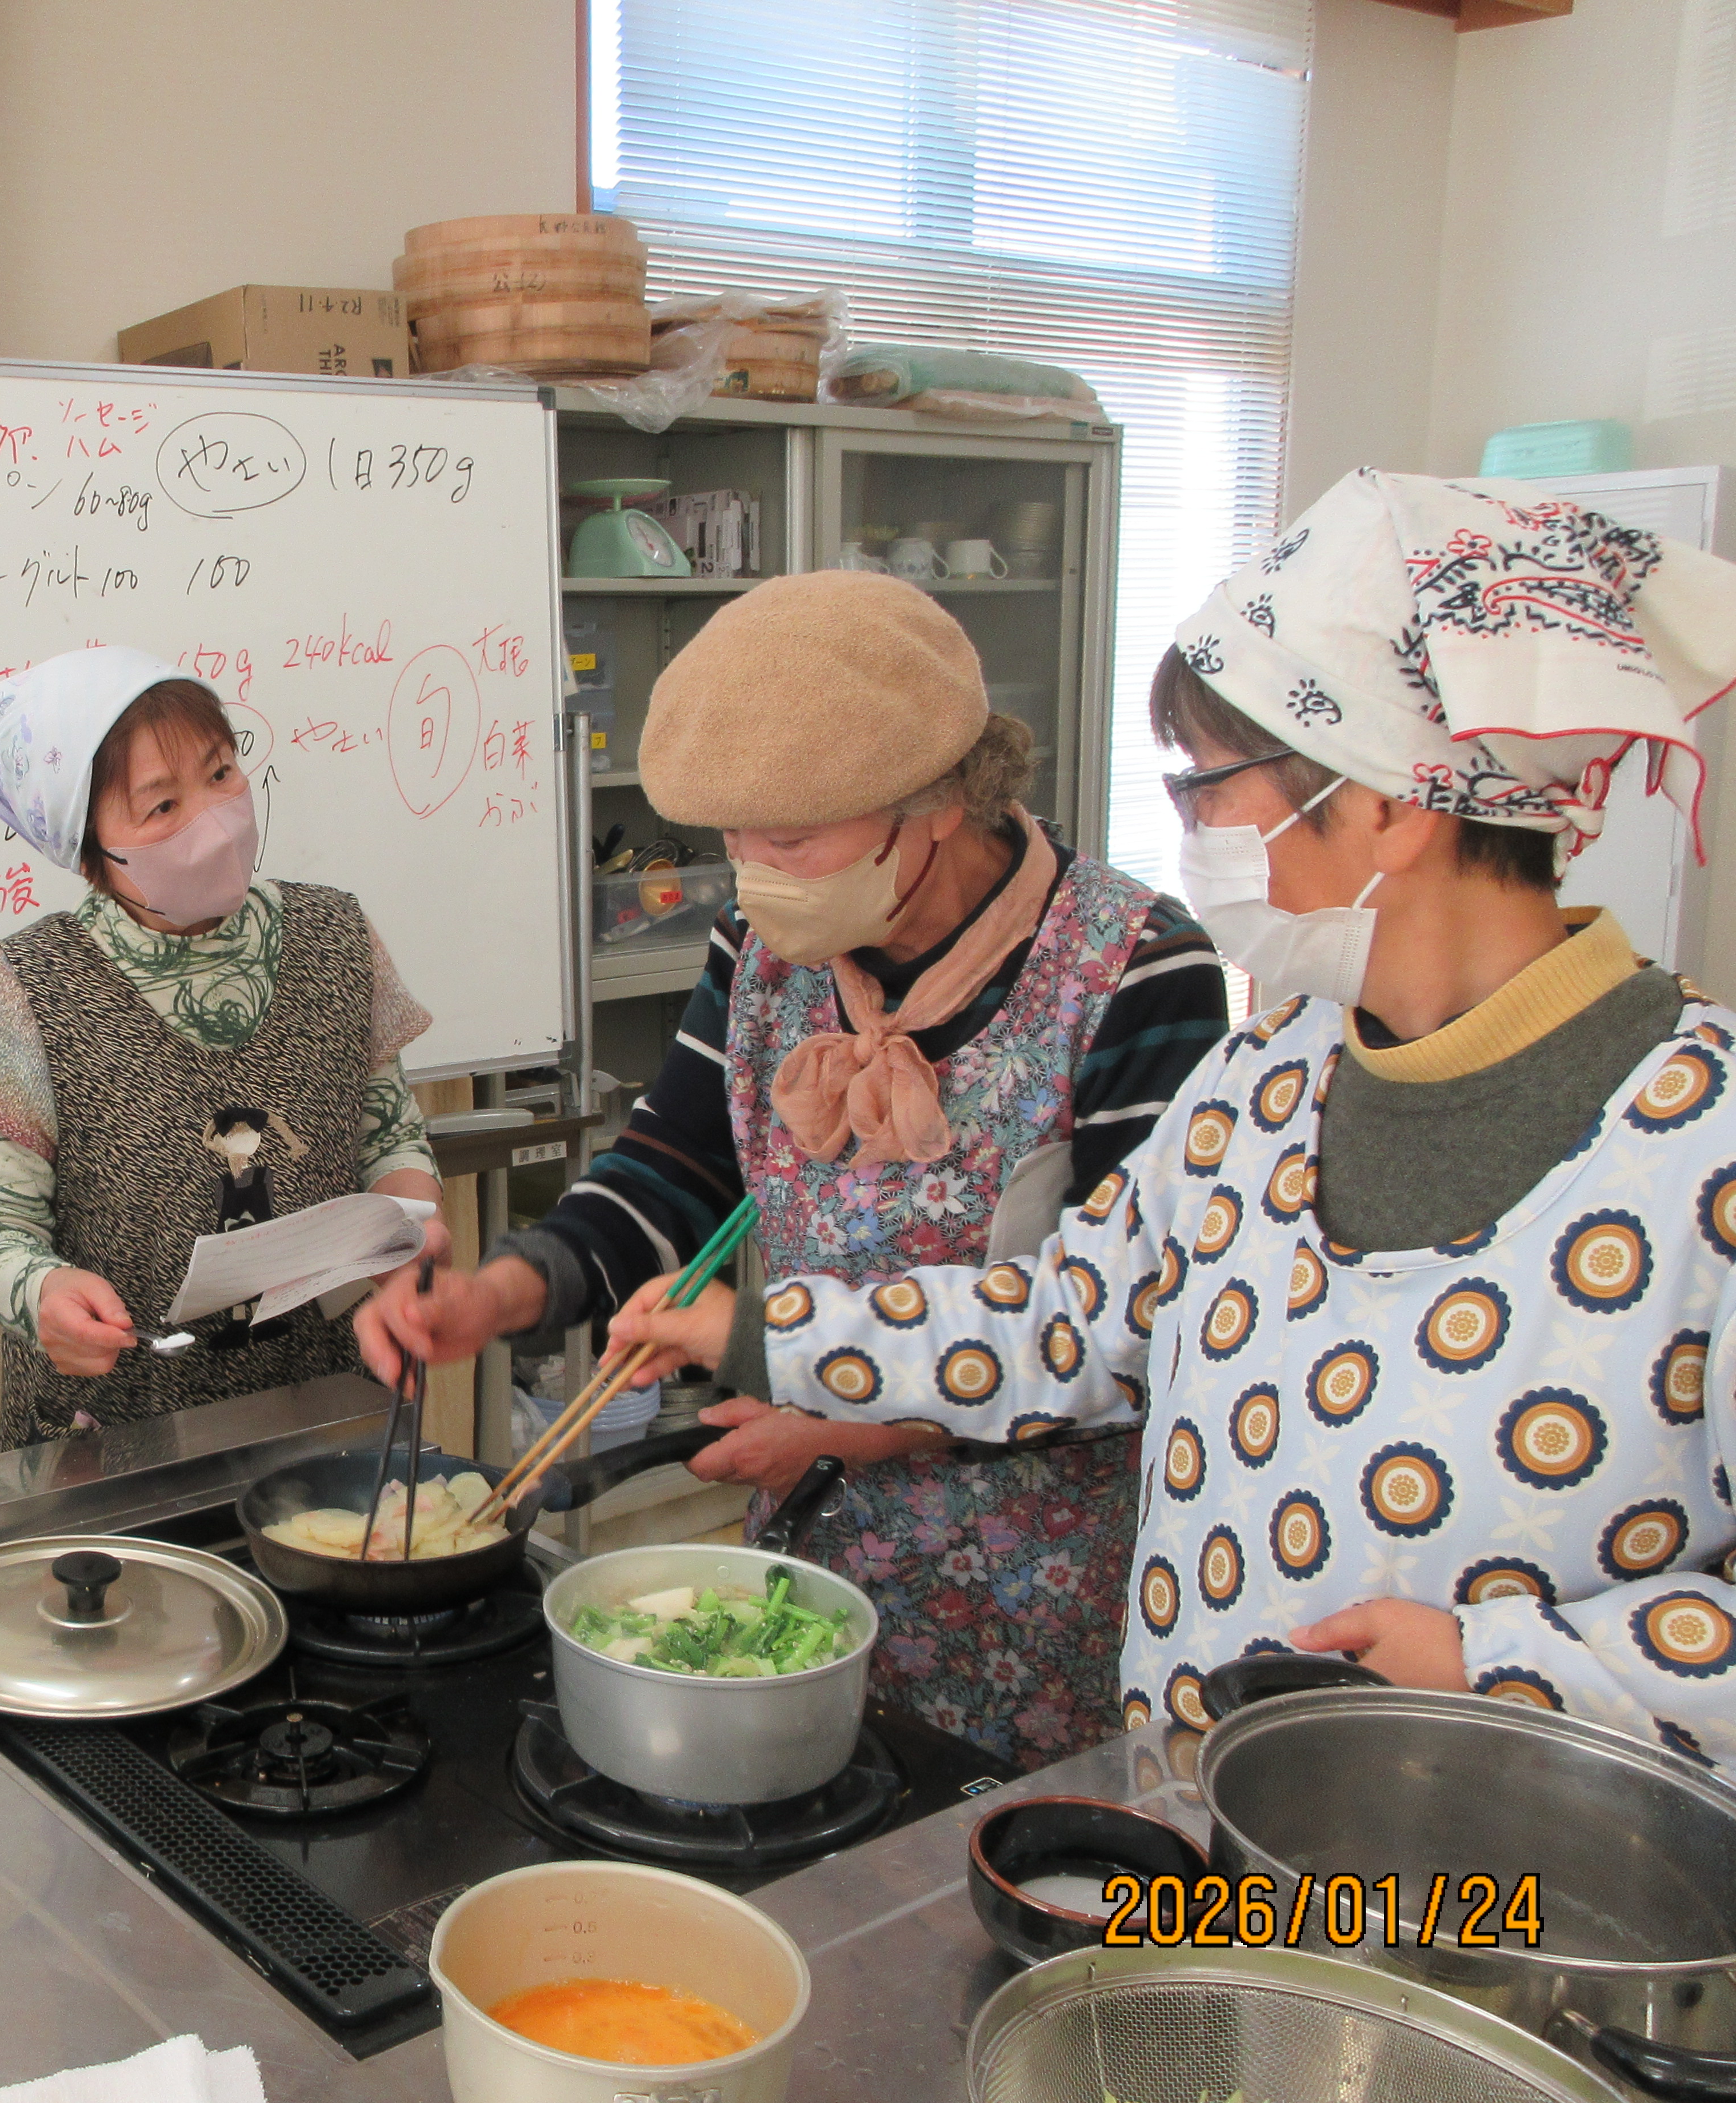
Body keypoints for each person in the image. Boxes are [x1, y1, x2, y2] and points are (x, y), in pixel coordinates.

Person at [602, 470, 1736, 1763]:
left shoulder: (1698, 1143)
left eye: (1208, 785)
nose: (1187, 829)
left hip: (1493, 1904)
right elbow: (1072, 1318)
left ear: (1395, 800)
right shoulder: (1270, 1081)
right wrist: (758, 1331)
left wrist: (1505, 1664)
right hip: (1196, 1821)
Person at [360, 572, 1227, 1766]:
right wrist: (503, 1294)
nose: (752, 874)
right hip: (810, 1543)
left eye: (789, 838)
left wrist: (843, 1430)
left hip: (1033, 1572)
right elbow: (673, 1165)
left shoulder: (1137, 969)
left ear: (933, 803)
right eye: (732, 838)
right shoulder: (769, 948)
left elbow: (1127, 1341)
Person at [0, 648, 442, 1447]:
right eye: (162, 807)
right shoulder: (21, 990)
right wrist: (44, 1291)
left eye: (221, 773)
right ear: (91, 847)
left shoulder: (336, 936)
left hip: (326, 1409)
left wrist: (414, 1231)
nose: (212, 818)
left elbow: (388, 1134)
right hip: (113, 1437)